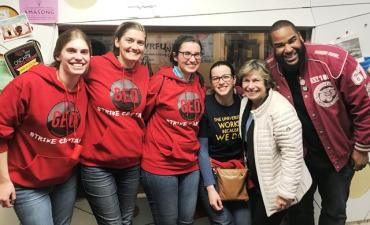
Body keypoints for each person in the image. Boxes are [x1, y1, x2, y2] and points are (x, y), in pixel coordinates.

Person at [267, 20, 370, 225]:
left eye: (292, 41)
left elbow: (365, 105)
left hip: (337, 155)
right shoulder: (270, 69)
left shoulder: (334, 59)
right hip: (298, 158)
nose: (288, 49)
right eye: (280, 45)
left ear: (300, 37)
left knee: (334, 213)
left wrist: (362, 148)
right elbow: (252, 89)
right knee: (298, 215)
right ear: (273, 48)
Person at [0, 28, 91, 225]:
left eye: (84, 52)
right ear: (58, 54)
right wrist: (3, 181)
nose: (79, 57)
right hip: (27, 182)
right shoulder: (28, 83)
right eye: (71, 51)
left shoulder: (86, 89)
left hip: (64, 180)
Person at [79, 21, 149, 225]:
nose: (135, 46)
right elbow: (66, 80)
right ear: (117, 41)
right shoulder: (95, 64)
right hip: (97, 164)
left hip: (130, 163)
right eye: (129, 40)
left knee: (126, 220)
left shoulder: (144, 72)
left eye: (140, 42)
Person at [141, 34, 206, 225]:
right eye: (186, 54)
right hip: (161, 163)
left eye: (197, 54)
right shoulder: (160, 81)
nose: (192, 59)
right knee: (167, 221)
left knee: (187, 220)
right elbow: (143, 116)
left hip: (190, 163)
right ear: (175, 56)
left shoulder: (199, 82)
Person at [239, 59, 312, 225]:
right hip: (260, 185)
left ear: (266, 83)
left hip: (281, 189)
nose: (250, 86)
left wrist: (285, 193)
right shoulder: (246, 103)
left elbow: (292, 155)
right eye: (246, 80)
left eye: (256, 80)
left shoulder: (280, 109)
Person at [197, 60, 252, 225]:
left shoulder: (245, 103)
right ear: (211, 83)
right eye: (216, 78)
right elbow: (202, 150)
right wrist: (210, 188)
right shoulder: (205, 106)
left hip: (239, 175)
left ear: (235, 79)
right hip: (213, 174)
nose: (221, 82)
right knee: (224, 222)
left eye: (226, 77)